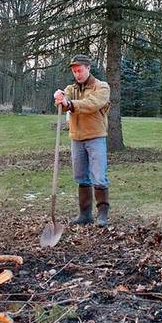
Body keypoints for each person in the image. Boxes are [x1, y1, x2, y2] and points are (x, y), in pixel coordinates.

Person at [53, 54, 111, 227]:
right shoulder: (71, 89)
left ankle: (102, 215)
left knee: (99, 176)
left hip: (95, 137)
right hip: (76, 138)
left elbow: (91, 104)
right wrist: (60, 98)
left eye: (79, 70)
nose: (77, 74)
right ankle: (85, 214)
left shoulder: (101, 87)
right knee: (81, 177)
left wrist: (70, 104)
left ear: (88, 68)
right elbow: (65, 103)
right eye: (74, 71)